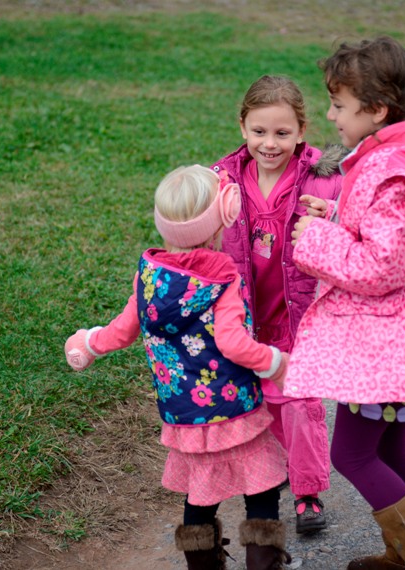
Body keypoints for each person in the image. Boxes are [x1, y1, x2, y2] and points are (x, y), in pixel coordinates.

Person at [286, 36, 405, 569]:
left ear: (376, 110)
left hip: (383, 345)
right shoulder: (398, 155)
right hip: (395, 341)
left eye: (339, 105)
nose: (330, 115)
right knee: (392, 448)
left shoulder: (391, 173)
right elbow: (386, 240)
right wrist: (333, 220)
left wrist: (314, 238)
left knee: (349, 454)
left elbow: (381, 267)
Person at [63, 165, 293, 570]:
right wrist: (276, 363)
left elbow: (122, 330)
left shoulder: (149, 277)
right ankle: (263, 563)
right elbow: (233, 344)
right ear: (223, 217)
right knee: (262, 486)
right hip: (235, 409)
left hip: (184, 416)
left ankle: (202, 565)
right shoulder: (223, 281)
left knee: (201, 495)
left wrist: (89, 343)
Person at [212, 75, 343, 535]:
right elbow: (200, 230)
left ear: (301, 131)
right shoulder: (223, 180)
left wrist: (332, 217)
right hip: (246, 314)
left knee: (301, 402)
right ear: (243, 127)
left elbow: (353, 221)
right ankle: (275, 473)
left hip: (300, 312)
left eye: (282, 133)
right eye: (260, 131)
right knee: (262, 399)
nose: (270, 143)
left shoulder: (322, 181)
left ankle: (308, 492)